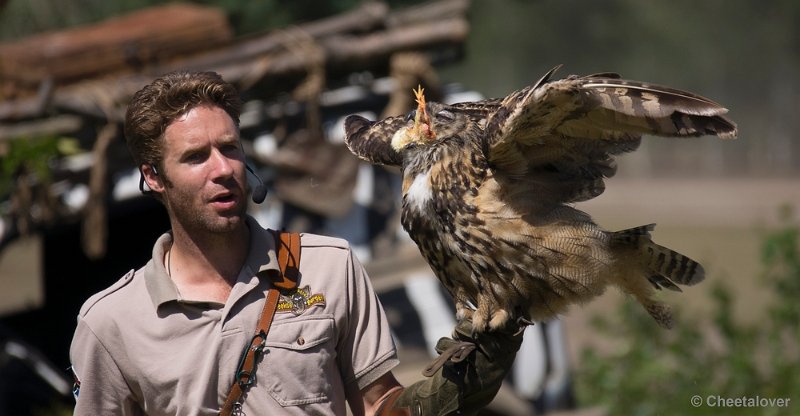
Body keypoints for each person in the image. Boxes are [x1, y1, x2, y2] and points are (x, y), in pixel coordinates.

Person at [69, 71, 523, 415]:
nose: (222, 168)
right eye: (195, 157)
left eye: (229, 148)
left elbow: (379, 405)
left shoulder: (328, 267)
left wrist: (468, 372)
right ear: (153, 177)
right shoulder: (111, 323)